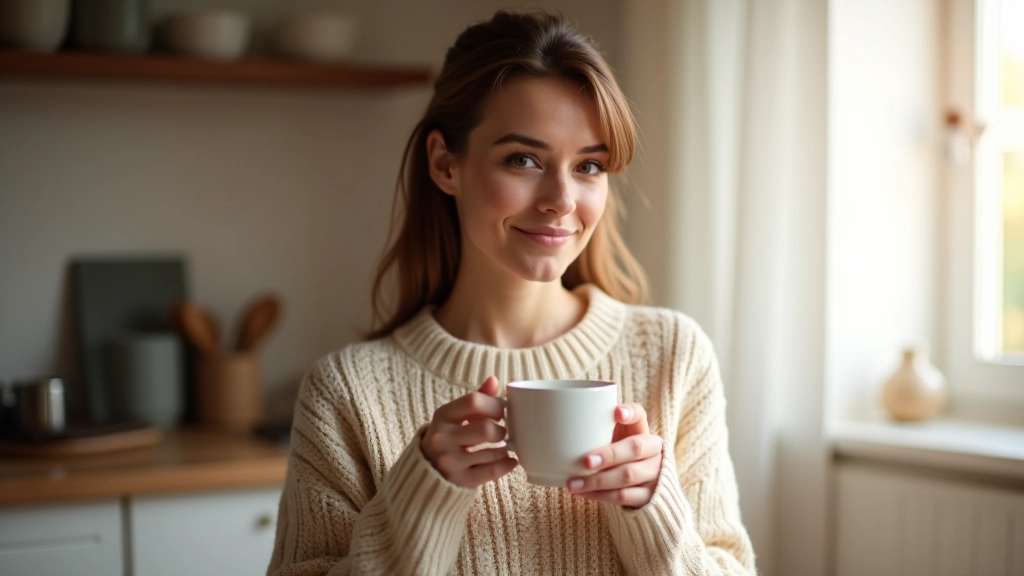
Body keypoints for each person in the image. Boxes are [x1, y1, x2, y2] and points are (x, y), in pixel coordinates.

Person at [267, 10, 755, 576]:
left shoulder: (674, 355)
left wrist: (654, 513)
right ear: (445, 164)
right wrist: (418, 502)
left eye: (589, 165)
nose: (562, 200)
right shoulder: (346, 393)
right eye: (523, 160)